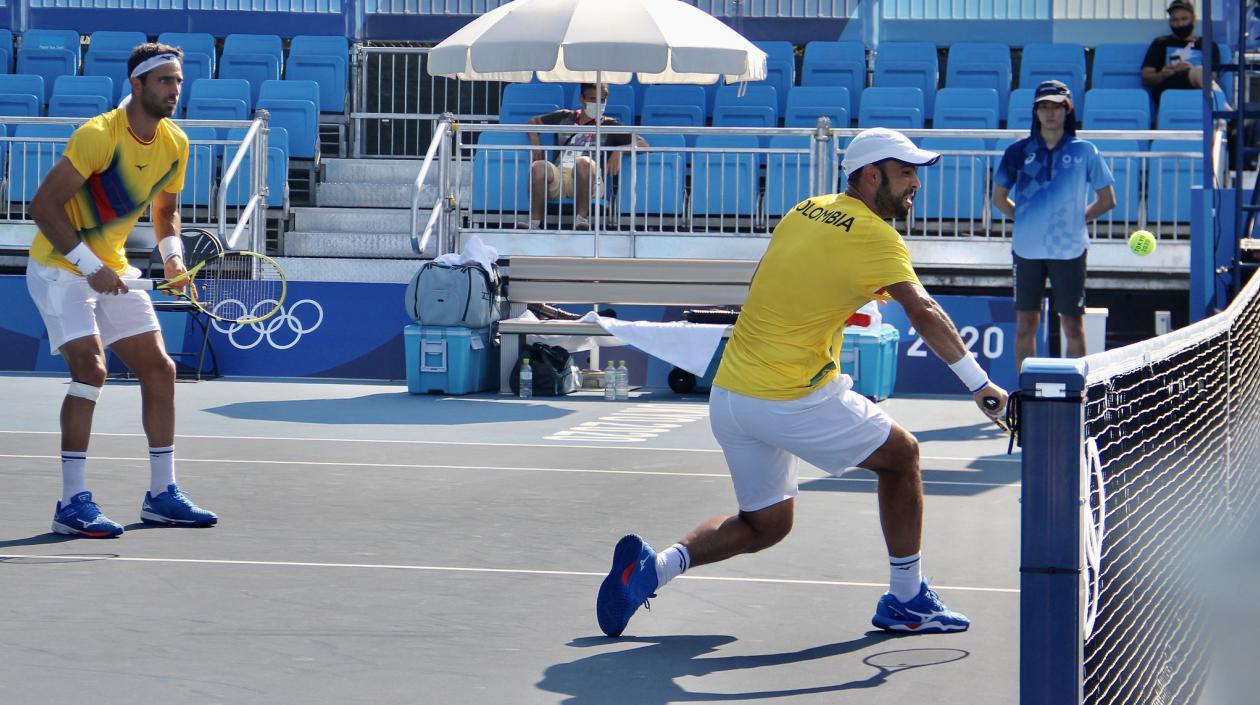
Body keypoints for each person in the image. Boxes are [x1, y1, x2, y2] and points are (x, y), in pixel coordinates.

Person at [595, 127, 1010, 638]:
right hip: (788, 396)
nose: (915, 184)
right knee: (902, 456)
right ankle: (907, 600)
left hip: (730, 397)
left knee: (767, 525)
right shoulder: (877, 236)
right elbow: (922, 309)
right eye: (905, 173)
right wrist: (980, 384)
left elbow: (773, 284)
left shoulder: (805, 209)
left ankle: (650, 570)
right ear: (871, 174)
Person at [25, 42, 218, 538]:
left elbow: (165, 212)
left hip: (112, 267)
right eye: (165, 81)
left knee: (160, 368)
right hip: (58, 266)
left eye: (178, 80)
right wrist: (89, 265)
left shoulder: (176, 143)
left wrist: (173, 257)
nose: (175, 89)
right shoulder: (98, 135)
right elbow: (43, 209)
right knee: (91, 369)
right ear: (137, 84)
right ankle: (71, 503)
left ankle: (162, 494)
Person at [992, 80, 1116, 376]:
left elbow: (1108, 200)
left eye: (1057, 106)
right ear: (1035, 111)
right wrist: (1027, 221)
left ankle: (1076, 395)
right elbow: (998, 199)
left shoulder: (1086, 151)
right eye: (1044, 106)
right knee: (1026, 324)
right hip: (1026, 250)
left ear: (1067, 110)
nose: (1050, 112)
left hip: (1070, 250)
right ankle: (1026, 394)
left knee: (1073, 323)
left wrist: (1074, 221)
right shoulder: (1017, 152)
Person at [523, 83, 644, 229]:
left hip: (590, 180)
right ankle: (535, 221)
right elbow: (533, 122)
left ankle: (581, 219)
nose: (598, 104)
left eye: (602, 100)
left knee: (583, 162)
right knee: (538, 166)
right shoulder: (565, 117)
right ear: (582, 99)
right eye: (593, 99)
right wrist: (535, 140)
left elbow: (643, 144)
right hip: (560, 175)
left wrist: (619, 150)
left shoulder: (611, 125)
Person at [1142, 0, 1222, 101]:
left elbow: (1213, 77)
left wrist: (1191, 70)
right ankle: (1224, 109)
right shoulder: (1160, 43)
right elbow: (1146, 76)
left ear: (1193, 19)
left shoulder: (1208, 45)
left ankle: (1221, 108)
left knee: (1199, 72)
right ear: (1170, 21)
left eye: (1184, 19)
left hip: (1198, 93)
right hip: (1168, 90)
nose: (1180, 24)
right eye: (1175, 20)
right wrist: (1162, 75)